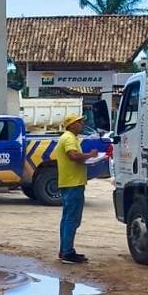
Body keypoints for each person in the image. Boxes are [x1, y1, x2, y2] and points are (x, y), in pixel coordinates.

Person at [56, 113, 93, 264]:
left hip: (69, 182)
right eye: (79, 122)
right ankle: (68, 252)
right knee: (72, 219)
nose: (81, 124)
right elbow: (73, 156)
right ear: (71, 125)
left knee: (67, 219)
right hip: (73, 183)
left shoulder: (69, 137)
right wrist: (90, 155)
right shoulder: (69, 138)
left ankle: (64, 249)